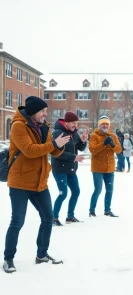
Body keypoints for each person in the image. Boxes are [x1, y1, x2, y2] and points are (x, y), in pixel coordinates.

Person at [3, 96, 70, 273]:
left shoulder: (44, 127)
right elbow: (30, 150)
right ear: (33, 112)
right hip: (20, 182)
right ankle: (8, 259)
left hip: (40, 182)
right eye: (43, 111)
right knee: (17, 221)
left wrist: (61, 144)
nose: (45, 114)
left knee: (48, 218)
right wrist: (53, 144)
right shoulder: (18, 126)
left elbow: (53, 151)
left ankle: (42, 254)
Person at [51, 112, 89, 226]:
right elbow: (56, 153)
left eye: (76, 123)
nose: (75, 125)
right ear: (66, 122)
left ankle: (70, 216)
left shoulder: (74, 133)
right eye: (73, 123)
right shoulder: (58, 133)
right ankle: (54, 218)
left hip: (71, 169)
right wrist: (74, 157)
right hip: (59, 169)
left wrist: (83, 140)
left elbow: (80, 147)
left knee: (76, 191)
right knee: (63, 194)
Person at [89, 116, 122, 217]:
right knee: (98, 190)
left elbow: (119, 150)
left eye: (107, 124)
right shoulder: (94, 136)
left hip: (110, 168)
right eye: (103, 124)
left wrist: (112, 145)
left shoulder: (113, 136)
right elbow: (93, 150)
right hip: (98, 168)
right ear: (99, 125)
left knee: (109, 190)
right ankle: (92, 210)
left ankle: (107, 210)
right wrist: (103, 143)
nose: (105, 125)